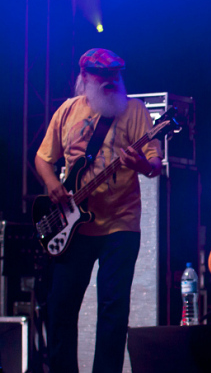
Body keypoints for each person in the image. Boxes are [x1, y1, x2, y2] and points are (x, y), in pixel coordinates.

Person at [35, 48, 163, 373]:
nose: (110, 81)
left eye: (114, 75)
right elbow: (43, 158)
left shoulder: (135, 111)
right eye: (102, 76)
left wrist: (141, 164)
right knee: (61, 308)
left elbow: (154, 165)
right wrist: (52, 183)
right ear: (85, 77)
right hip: (73, 225)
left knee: (113, 311)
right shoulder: (68, 110)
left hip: (121, 222)